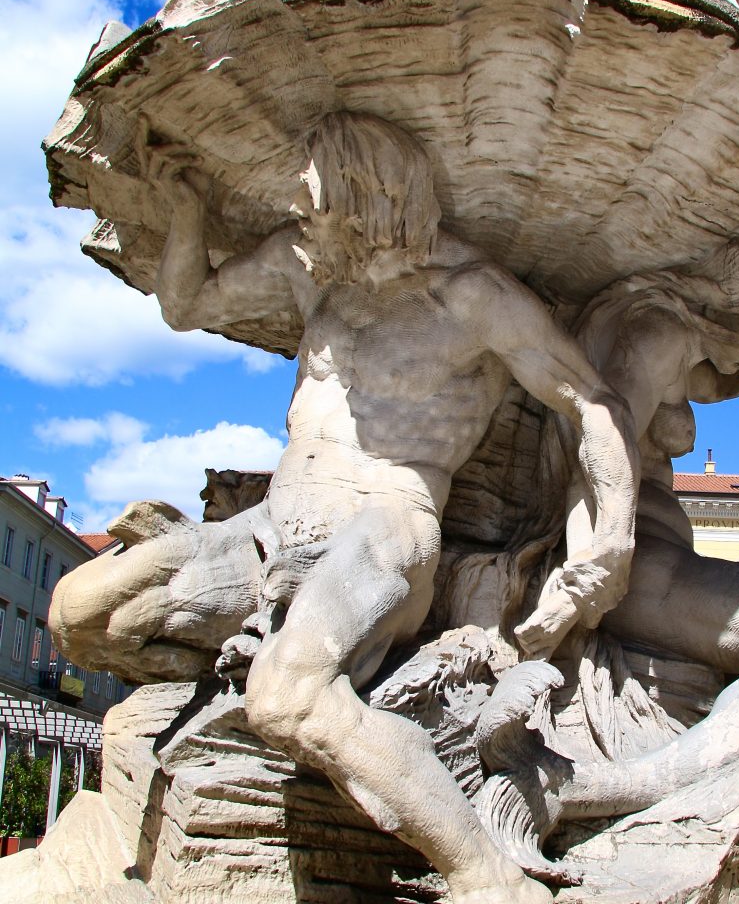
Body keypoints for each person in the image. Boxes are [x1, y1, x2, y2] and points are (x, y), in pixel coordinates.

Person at [50, 111, 641, 904]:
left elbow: (590, 400)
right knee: (78, 614)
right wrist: (185, 205)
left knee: (288, 701)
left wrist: (613, 533)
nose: (300, 201)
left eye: (315, 190)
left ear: (366, 197)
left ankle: (486, 877)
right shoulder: (308, 260)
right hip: (266, 528)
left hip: (385, 522)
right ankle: (235, 664)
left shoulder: (469, 293)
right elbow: (187, 305)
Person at [491, 242, 739, 857]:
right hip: (639, 569)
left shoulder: (674, 339)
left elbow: (714, 382)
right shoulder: (660, 338)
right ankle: (590, 789)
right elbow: (601, 445)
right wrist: (587, 578)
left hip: (653, 558)